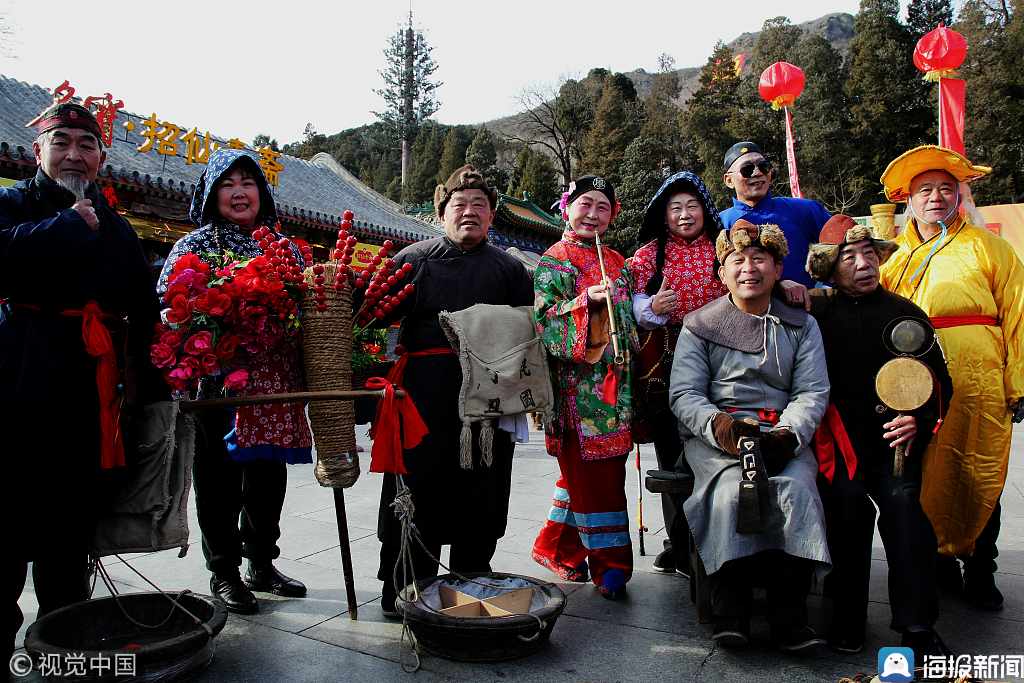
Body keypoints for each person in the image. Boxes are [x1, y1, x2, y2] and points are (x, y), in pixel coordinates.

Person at [0, 103, 166, 668]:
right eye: (61, 141)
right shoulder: (11, 205)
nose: (74, 153)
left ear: (101, 157)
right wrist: (65, 226)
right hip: (17, 384)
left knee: (69, 525)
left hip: (91, 398)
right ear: (38, 150)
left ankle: (63, 637)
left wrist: (159, 385)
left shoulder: (116, 226)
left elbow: (143, 313)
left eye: (86, 145)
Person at [374, 166, 533, 616]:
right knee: (415, 488)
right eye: (459, 205)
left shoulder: (510, 269)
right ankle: (402, 586)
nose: (469, 213)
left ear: (492, 216)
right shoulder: (414, 259)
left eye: (479, 205)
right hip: (422, 395)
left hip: (488, 398)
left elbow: (529, 336)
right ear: (440, 213)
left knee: (480, 487)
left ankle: (472, 581)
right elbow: (375, 316)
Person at [159, 149, 312, 615]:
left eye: (249, 182)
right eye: (228, 184)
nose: (240, 191)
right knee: (219, 478)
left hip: (273, 385)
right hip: (218, 383)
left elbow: (304, 307)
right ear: (211, 194)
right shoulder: (194, 245)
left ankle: (261, 563)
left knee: (269, 476)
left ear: (262, 194)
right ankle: (223, 571)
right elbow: (169, 309)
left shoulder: (281, 247)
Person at [669, 219, 830, 650]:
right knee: (727, 492)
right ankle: (730, 611)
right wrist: (719, 427)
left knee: (796, 490)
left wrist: (788, 436)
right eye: (737, 260)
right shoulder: (699, 324)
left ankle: (788, 617)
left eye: (760, 258)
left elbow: (812, 391)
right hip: (717, 438)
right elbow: (684, 393)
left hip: (780, 434)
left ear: (778, 268)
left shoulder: (802, 325)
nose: (748, 268)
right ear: (722, 271)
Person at [878, 145, 1024, 611]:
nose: (936, 197)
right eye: (925, 190)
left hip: (979, 379)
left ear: (960, 195)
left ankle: (981, 568)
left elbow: (1019, 315)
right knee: (922, 473)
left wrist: (1018, 382)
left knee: (981, 471)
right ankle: (936, 560)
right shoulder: (894, 256)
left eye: (946, 189)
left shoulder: (991, 248)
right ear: (910, 201)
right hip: (917, 382)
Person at [803, 214, 954, 659]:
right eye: (850, 256)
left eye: (871, 254)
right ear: (830, 268)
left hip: (895, 447)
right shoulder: (815, 313)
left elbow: (940, 381)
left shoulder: (905, 314)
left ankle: (918, 624)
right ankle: (847, 615)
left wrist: (920, 421)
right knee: (846, 507)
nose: (864, 264)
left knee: (905, 507)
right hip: (841, 444)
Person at [531, 175, 638, 600]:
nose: (593, 214)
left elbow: (629, 317)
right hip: (579, 393)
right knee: (599, 476)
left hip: (619, 387)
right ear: (567, 207)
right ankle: (612, 567)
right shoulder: (554, 261)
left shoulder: (618, 260)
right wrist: (586, 303)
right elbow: (547, 323)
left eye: (603, 208)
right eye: (585, 204)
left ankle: (556, 548)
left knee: (588, 476)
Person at [630, 171, 726, 575]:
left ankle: (718, 536)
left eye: (692, 206)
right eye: (675, 209)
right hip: (668, 364)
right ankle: (680, 542)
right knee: (671, 455)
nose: (685, 215)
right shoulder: (648, 255)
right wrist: (652, 306)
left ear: (705, 209)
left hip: (723, 362)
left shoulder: (725, 250)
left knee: (719, 448)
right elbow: (631, 303)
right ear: (663, 215)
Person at [719, 141, 830, 305]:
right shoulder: (719, 222)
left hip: (807, 313)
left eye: (763, 166)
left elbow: (844, 250)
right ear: (729, 180)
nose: (757, 173)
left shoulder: (805, 210)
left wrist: (826, 291)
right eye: (747, 169)